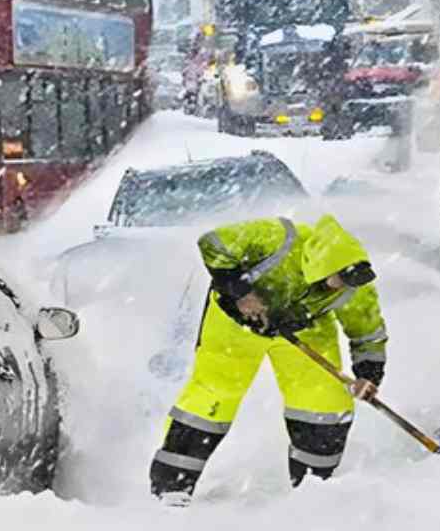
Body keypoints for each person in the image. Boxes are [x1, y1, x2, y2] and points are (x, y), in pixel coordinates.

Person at [150, 214, 388, 505]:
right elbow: (213, 243)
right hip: (235, 323)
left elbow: (368, 331)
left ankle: (316, 487)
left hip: (304, 327)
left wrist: (369, 374)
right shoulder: (279, 238)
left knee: (324, 400)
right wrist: (241, 292)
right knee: (214, 395)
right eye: (336, 281)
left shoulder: (353, 283)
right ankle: (173, 485)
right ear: (320, 265)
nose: (340, 288)